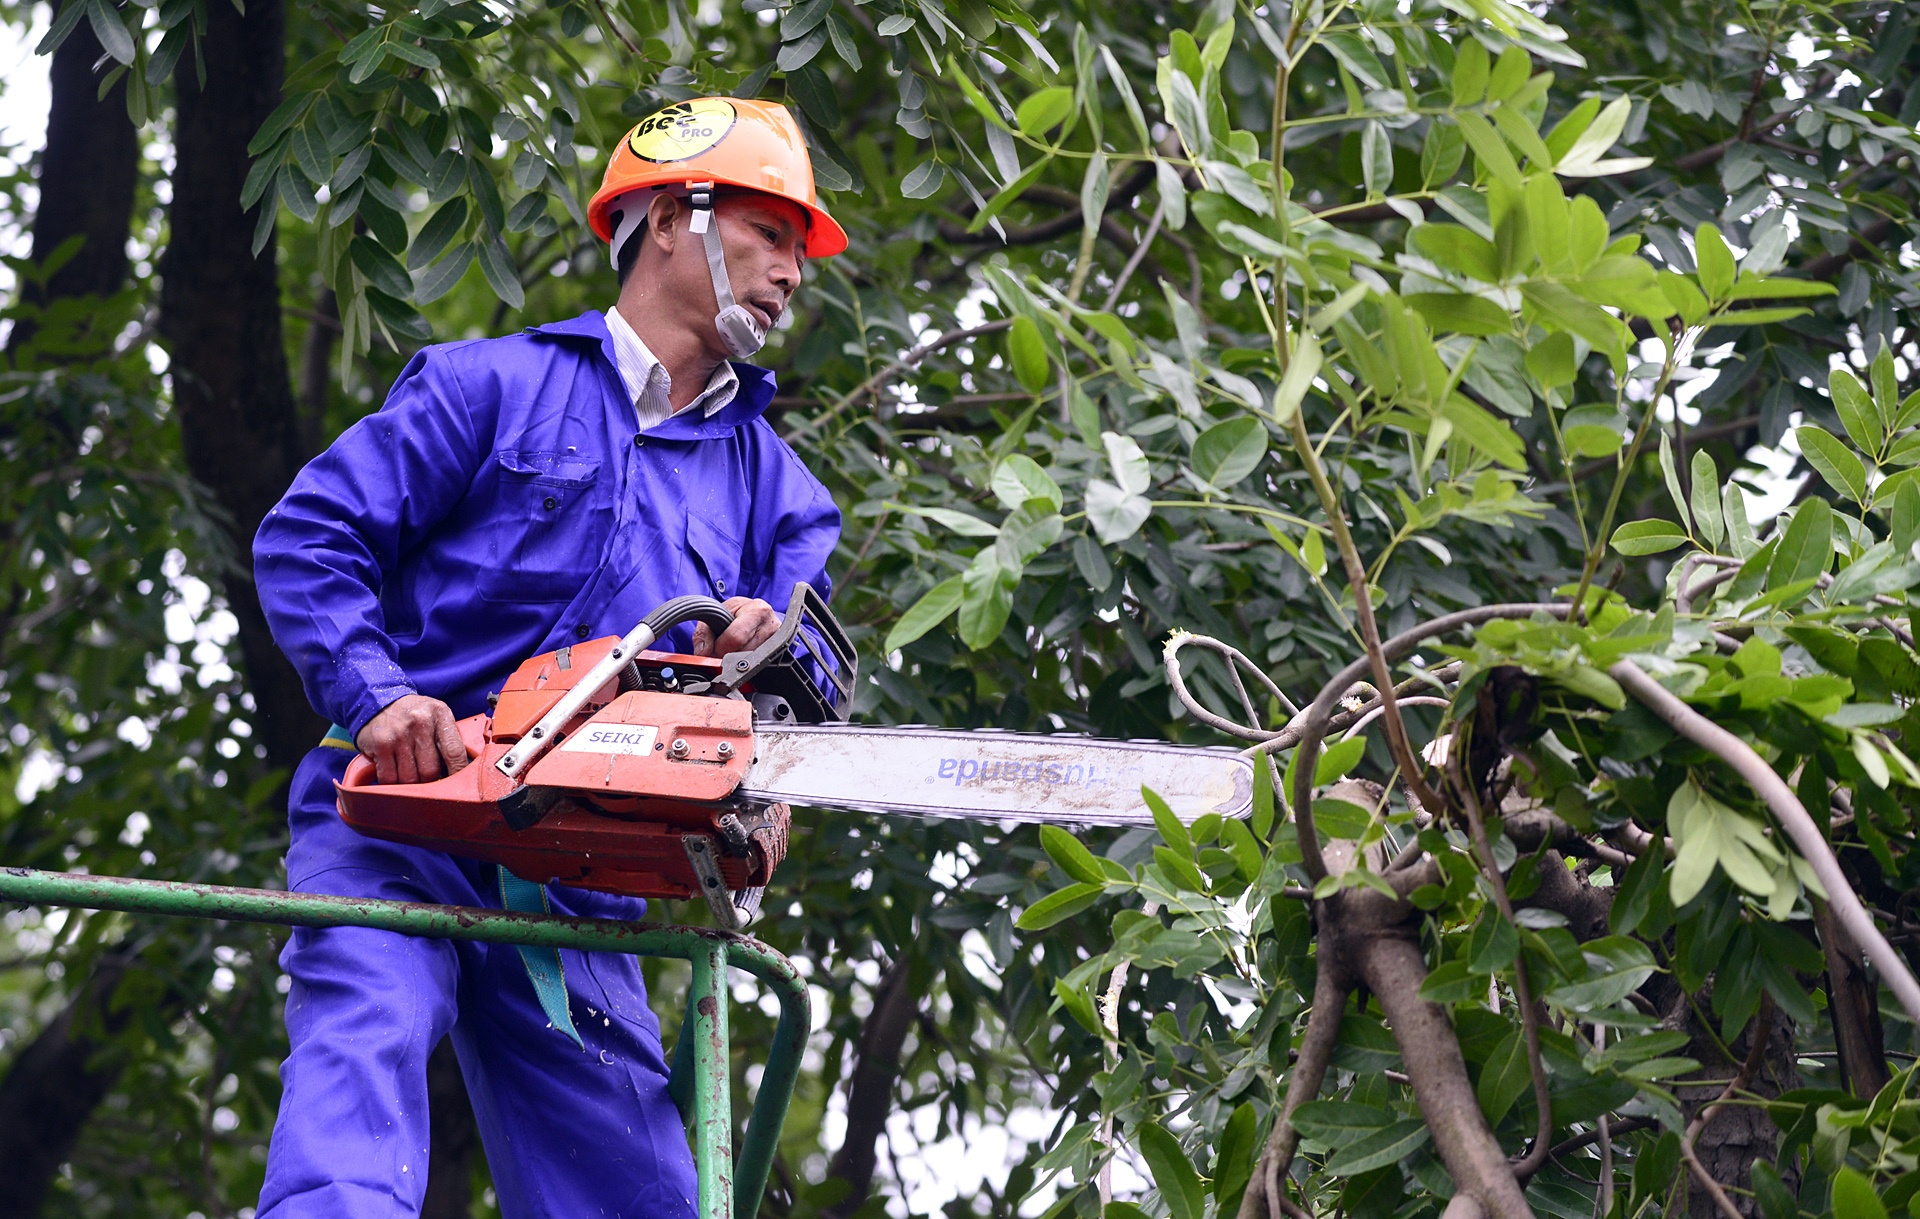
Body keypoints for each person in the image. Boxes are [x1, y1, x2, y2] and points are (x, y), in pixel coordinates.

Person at [249, 98, 846, 1218]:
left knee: (637, 1186)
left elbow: (805, 670)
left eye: (800, 250)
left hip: (577, 872)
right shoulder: (487, 387)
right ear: (674, 217)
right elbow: (310, 534)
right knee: (366, 1038)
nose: (792, 270)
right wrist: (378, 698)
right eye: (773, 232)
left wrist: (770, 648)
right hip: (398, 819)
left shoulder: (778, 489)